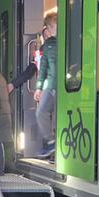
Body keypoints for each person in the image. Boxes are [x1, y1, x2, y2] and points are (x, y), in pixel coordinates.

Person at [34, 13, 58, 158]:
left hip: (62, 86)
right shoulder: (48, 44)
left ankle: (55, 152)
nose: (50, 30)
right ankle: (51, 142)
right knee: (41, 112)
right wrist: (38, 87)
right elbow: (43, 67)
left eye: (51, 27)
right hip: (51, 86)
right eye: (49, 27)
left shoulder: (67, 40)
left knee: (56, 119)